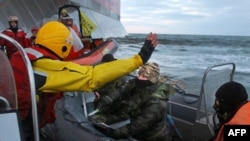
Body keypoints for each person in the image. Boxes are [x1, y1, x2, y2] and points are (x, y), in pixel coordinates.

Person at [9, 21, 158, 141]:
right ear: (62, 45)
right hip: (22, 127)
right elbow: (92, 76)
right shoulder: (44, 67)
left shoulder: (26, 54)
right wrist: (138, 59)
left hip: (14, 118)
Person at [90, 62, 175, 141]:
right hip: (137, 128)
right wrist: (108, 98)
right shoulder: (140, 84)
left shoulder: (156, 102)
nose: (139, 78)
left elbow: (138, 126)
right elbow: (123, 89)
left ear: (152, 79)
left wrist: (113, 132)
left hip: (153, 137)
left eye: (144, 77)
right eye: (139, 74)